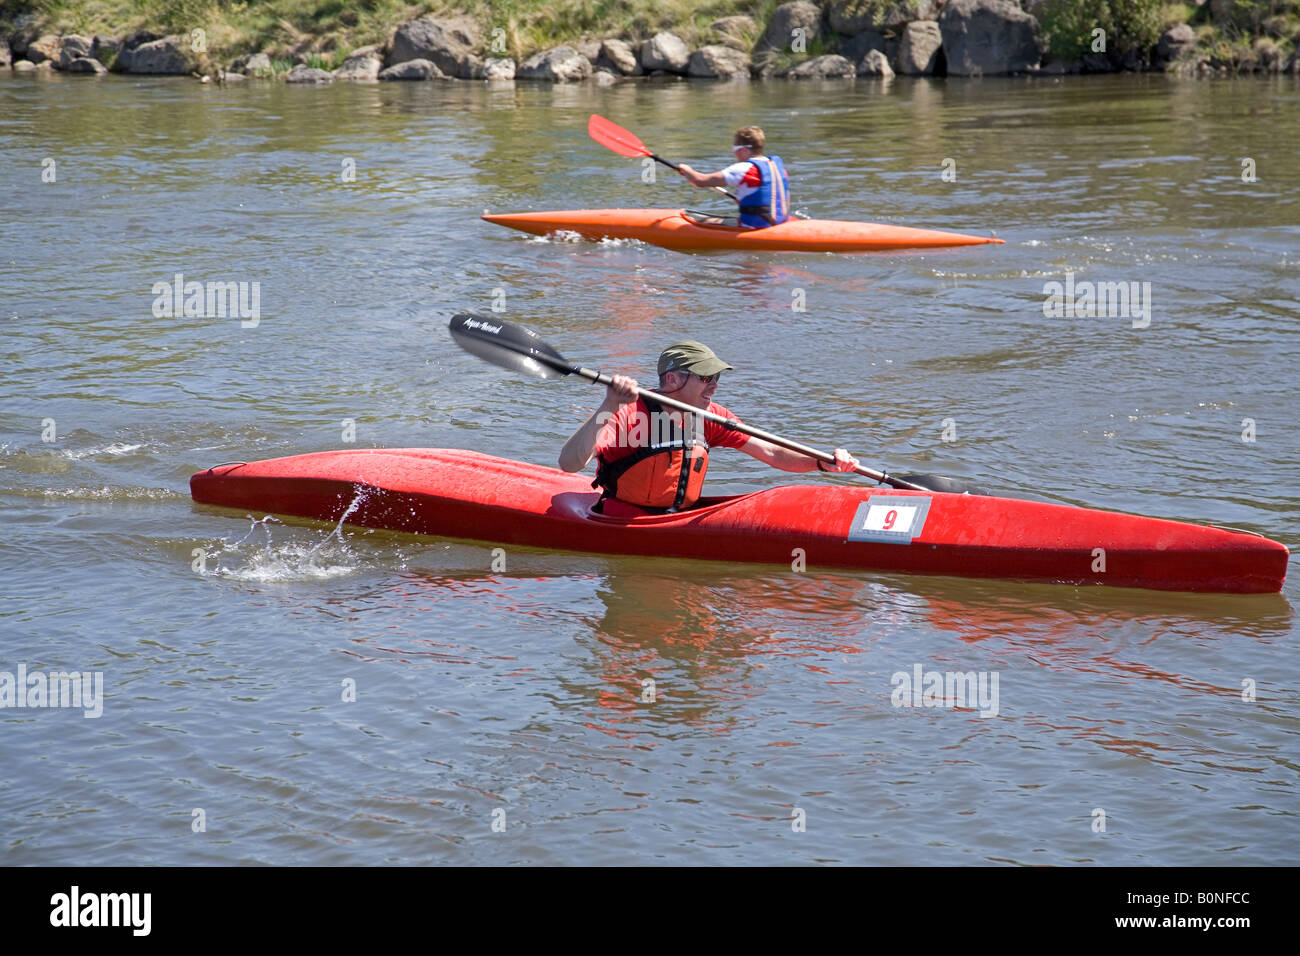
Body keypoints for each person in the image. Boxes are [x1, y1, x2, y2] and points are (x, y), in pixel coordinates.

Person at [558, 340, 858, 516]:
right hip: (621, 523)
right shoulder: (629, 413)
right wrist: (609, 404)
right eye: (705, 378)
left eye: (716, 378)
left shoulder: (711, 416)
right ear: (673, 380)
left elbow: (773, 453)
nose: (713, 386)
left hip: (679, 520)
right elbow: (570, 463)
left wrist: (821, 462)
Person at [676, 126, 791, 229]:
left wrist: (686, 169)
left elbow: (700, 181)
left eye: (735, 149)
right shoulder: (776, 165)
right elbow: (777, 196)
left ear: (744, 150)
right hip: (780, 222)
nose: (734, 154)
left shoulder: (744, 169)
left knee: (704, 221)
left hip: (755, 226)